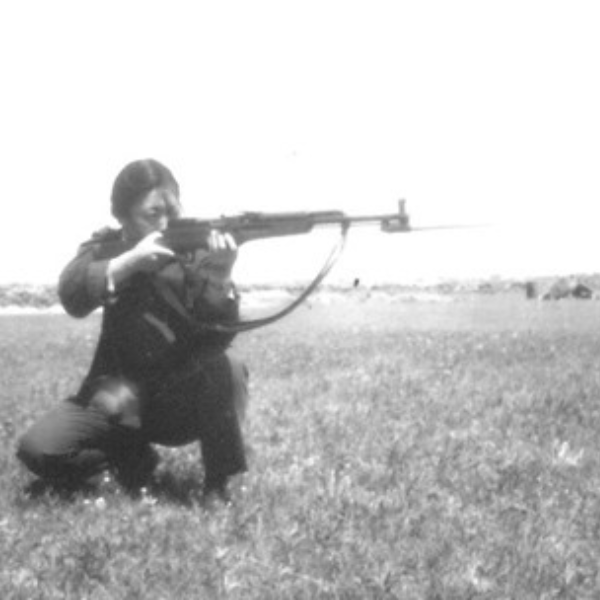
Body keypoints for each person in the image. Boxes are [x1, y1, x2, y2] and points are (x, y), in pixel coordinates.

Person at [16, 158, 248, 504]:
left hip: (175, 402)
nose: (166, 222)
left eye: (172, 209)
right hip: (116, 399)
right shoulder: (110, 249)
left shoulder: (197, 254)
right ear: (123, 218)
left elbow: (218, 339)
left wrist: (219, 280)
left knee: (226, 364)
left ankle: (218, 484)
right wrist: (130, 262)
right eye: (152, 214)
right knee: (38, 449)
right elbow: (72, 294)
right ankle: (131, 463)